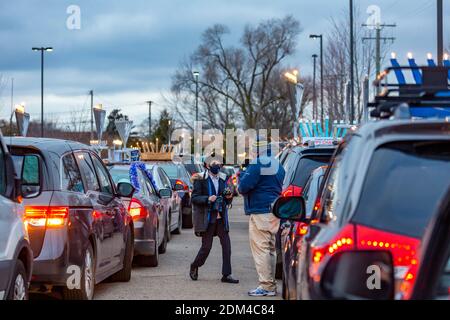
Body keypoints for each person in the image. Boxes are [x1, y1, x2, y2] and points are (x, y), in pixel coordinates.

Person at [238, 138, 285, 297]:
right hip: (274, 210)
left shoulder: (258, 163)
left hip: (260, 210)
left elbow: (243, 187)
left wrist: (242, 172)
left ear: (257, 149)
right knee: (270, 248)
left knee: (261, 249)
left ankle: (266, 286)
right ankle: (270, 284)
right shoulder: (278, 165)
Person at [190, 159, 239, 284]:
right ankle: (195, 265)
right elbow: (194, 198)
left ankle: (226, 275)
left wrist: (229, 198)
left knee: (227, 246)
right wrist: (208, 199)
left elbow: (227, 197)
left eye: (218, 163)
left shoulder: (223, 179)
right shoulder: (200, 179)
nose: (216, 166)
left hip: (221, 218)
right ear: (207, 165)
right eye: (213, 163)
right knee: (206, 247)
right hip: (208, 219)